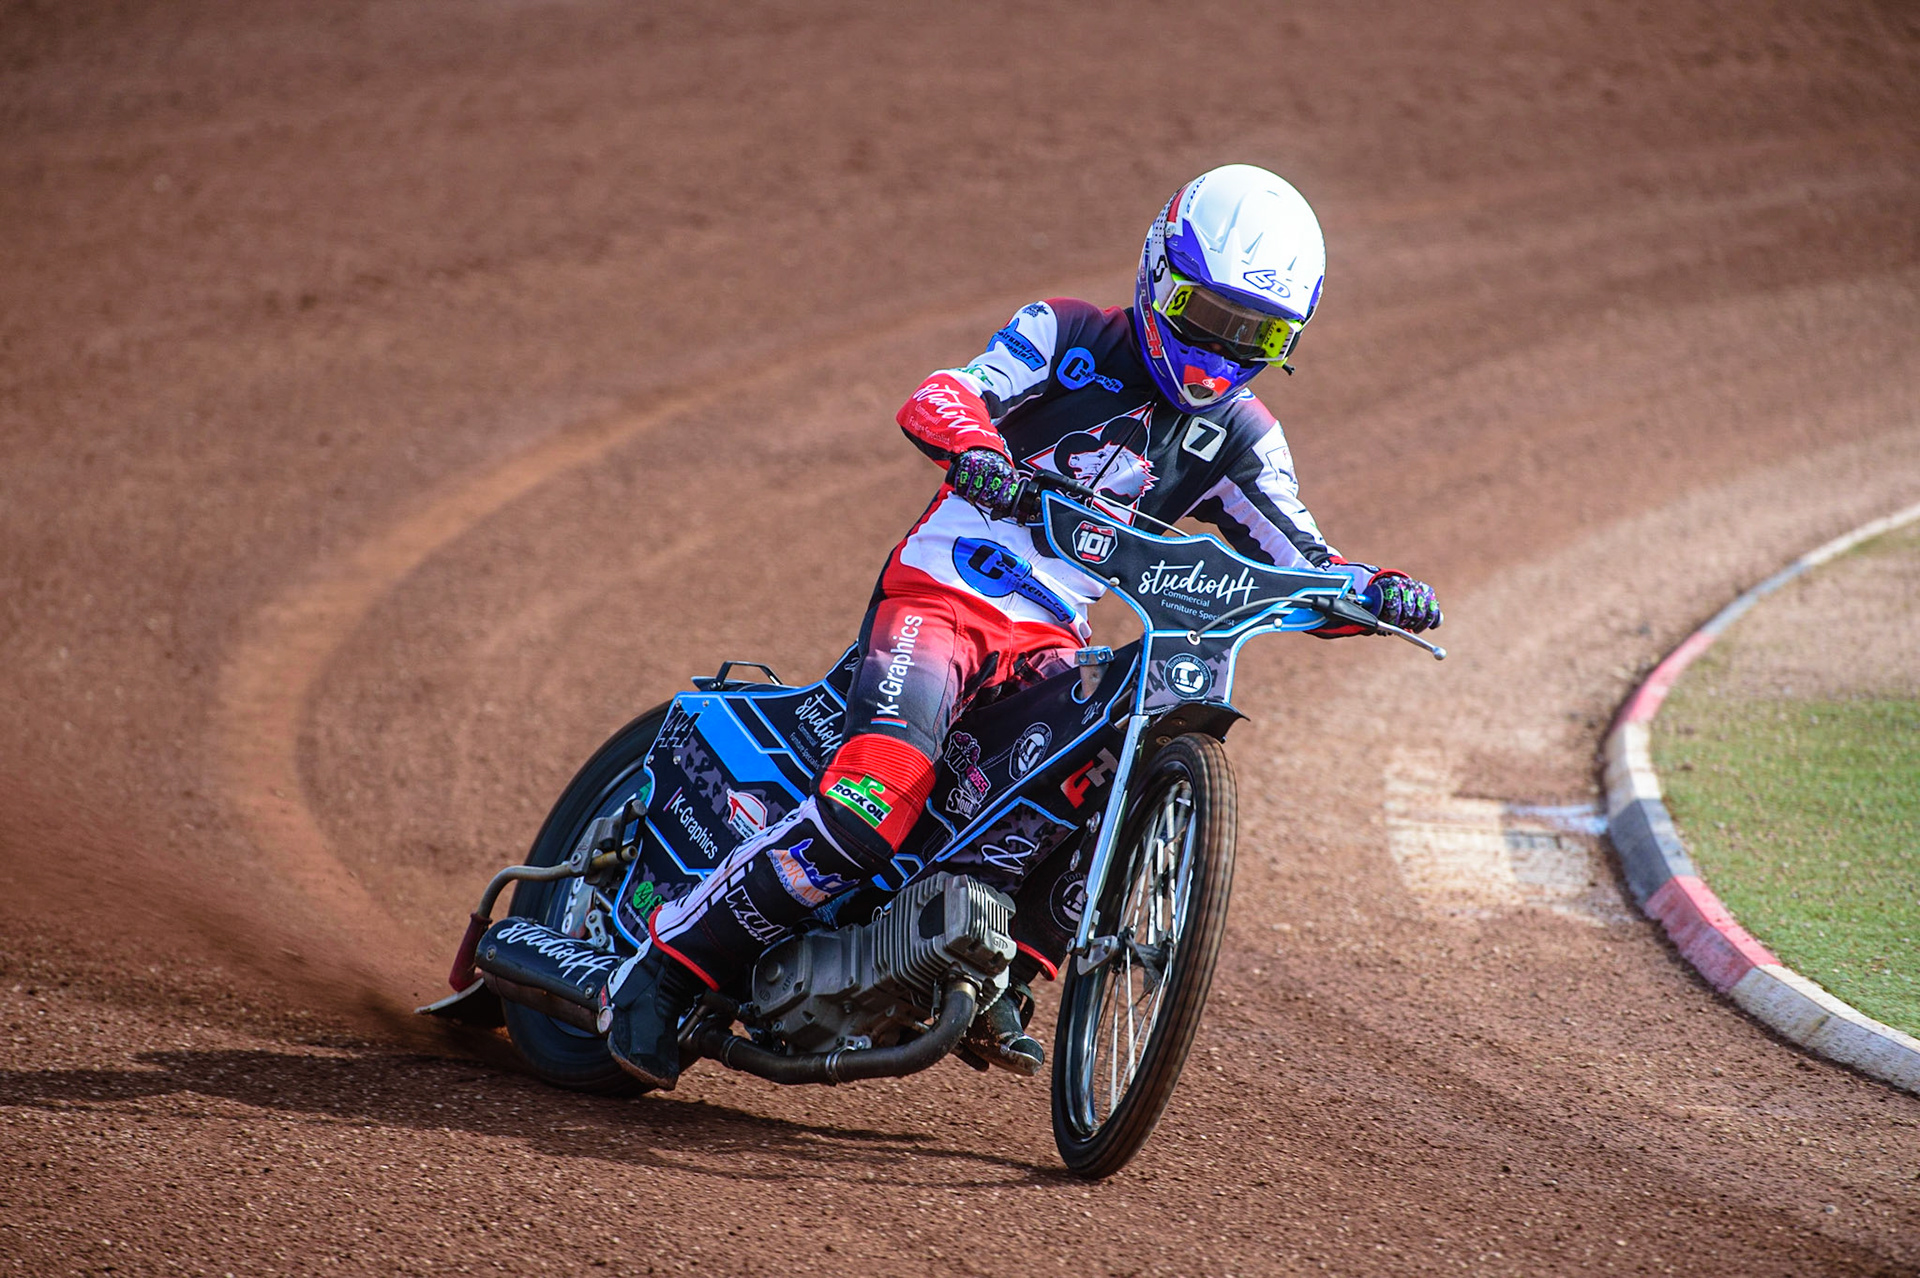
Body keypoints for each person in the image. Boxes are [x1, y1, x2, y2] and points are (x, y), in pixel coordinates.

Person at [606, 163, 1443, 1087]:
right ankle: (660, 969)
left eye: (1260, 335)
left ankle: (1007, 960)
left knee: (1102, 752)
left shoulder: (1244, 438)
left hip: (1047, 643)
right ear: (1160, 276)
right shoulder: (1066, 332)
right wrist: (978, 452)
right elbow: (941, 394)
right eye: (1209, 318)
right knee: (873, 800)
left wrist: (1370, 590)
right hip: (943, 597)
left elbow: (1300, 556)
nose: (1221, 352)